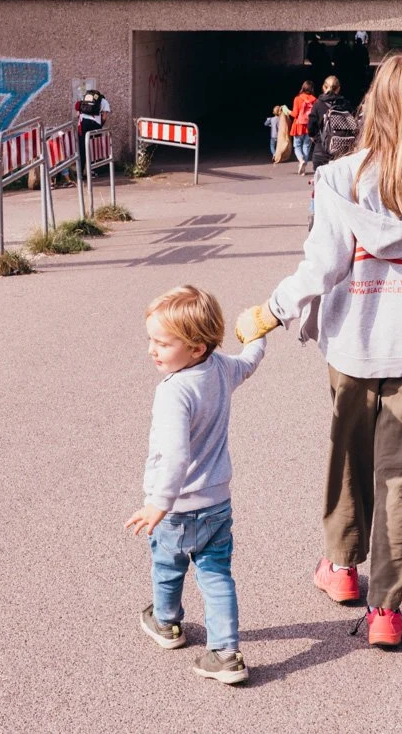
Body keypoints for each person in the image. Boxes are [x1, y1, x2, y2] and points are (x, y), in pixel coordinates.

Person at [233, 54, 402, 649]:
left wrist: (273, 310)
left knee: (348, 458)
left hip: (351, 349)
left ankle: (342, 567)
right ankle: (386, 612)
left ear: (373, 106)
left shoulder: (338, 178)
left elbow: (322, 265)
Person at [127, 285, 266, 686]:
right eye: (151, 340)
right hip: (217, 504)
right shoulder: (221, 368)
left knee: (167, 566)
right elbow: (249, 362)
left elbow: (175, 456)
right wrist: (257, 333)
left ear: (196, 348)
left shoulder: (174, 392)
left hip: (177, 508)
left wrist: (159, 502)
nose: (152, 350)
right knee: (216, 575)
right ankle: (225, 653)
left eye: (162, 343)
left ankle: (167, 623)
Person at [306, 75, 357, 173]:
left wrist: (315, 137)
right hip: (342, 151)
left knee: (320, 180)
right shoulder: (346, 104)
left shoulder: (318, 104)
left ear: (323, 87)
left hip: (322, 150)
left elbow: (311, 126)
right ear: (338, 88)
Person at [291, 80, 318, 175]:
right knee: (306, 146)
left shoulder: (297, 99)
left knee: (297, 146)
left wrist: (287, 111)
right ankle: (303, 168)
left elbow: (295, 114)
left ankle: (301, 160)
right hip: (309, 126)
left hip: (298, 125)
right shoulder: (315, 100)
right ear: (312, 89)